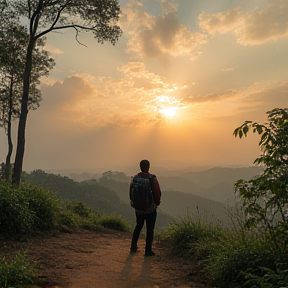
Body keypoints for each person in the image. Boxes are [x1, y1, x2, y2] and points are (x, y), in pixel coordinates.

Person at [130, 159, 162, 256]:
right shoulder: (152, 178)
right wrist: (156, 203)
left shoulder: (135, 178)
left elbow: (131, 193)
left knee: (138, 227)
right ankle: (148, 251)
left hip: (138, 209)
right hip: (150, 209)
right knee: (150, 229)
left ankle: (133, 247)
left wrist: (134, 204)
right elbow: (157, 193)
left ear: (140, 167)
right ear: (148, 167)